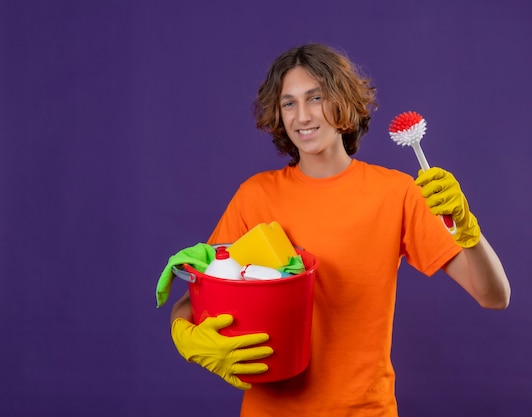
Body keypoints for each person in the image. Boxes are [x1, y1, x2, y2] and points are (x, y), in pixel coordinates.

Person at [168, 43, 510, 417]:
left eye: (315, 98)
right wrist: (185, 336)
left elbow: (493, 296)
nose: (302, 116)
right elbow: (195, 302)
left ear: (343, 104)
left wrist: (466, 227)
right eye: (288, 103)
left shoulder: (395, 193)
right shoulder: (255, 196)